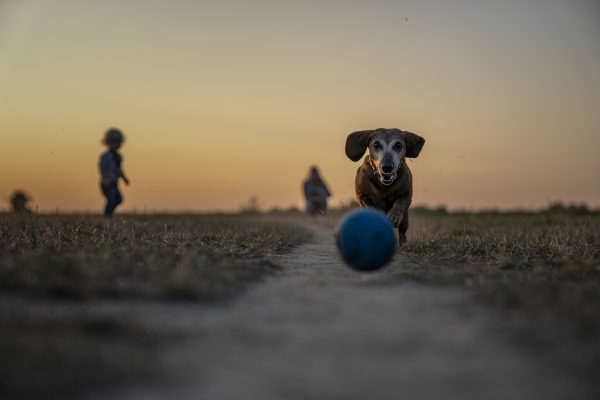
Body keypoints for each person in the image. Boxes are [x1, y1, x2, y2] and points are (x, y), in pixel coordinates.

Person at [99, 128, 129, 217]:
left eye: (117, 142)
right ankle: (107, 216)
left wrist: (124, 178)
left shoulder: (118, 157)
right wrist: (105, 178)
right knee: (111, 199)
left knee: (118, 199)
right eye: (113, 142)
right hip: (107, 182)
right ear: (108, 143)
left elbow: (119, 169)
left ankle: (109, 215)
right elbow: (102, 168)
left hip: (114, 182)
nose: (115, 144)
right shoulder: (105, 156)